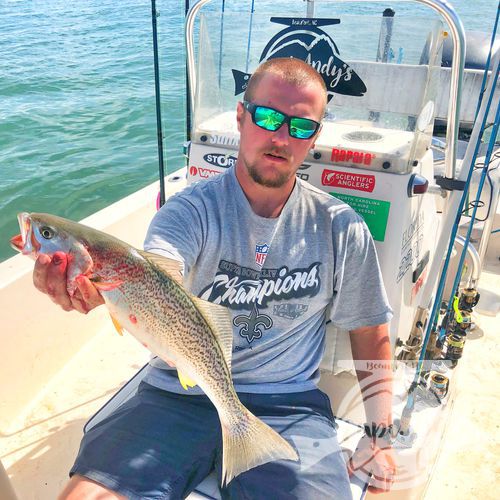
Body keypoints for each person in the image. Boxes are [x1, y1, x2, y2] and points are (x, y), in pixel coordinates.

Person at [34, 57, 395, 499]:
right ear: (241, 118)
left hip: (287, 404)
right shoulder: (188, 213)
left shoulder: (341, 227)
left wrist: (379, 434)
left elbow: (370, 330)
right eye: (267, 117)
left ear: (314, 137)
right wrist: (89, 293)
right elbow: (158, 268)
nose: (281, 137)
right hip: (176, 392)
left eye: (300, 127)